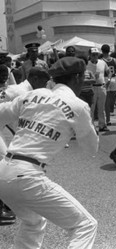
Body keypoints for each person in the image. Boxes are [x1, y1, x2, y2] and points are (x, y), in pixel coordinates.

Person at [0, 57, 99, 248]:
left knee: (33, 222)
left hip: (3, 171)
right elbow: (91, 148)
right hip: (28, 175)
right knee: (85, 225)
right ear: (78, 78)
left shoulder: (32, 95)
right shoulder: (77, 105)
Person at [0, 67, 51, 224]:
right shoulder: (23, 92)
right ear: (35, 79)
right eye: (44, 81)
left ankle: (6, 201)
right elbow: (19, 123)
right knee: (3, 162)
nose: (45, 85)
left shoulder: (19, 90)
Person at [87, 47, 110, 132]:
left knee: (101, 107)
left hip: (101, 86)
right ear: (90, 55)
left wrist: (109, 80)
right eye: (93, 54)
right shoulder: (87, 64)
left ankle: (102, 125)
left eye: (96, 54)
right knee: (92, 108)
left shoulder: (102, 62)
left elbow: (108, 72)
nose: (95, 56)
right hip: (91, 87)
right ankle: (91, 126)